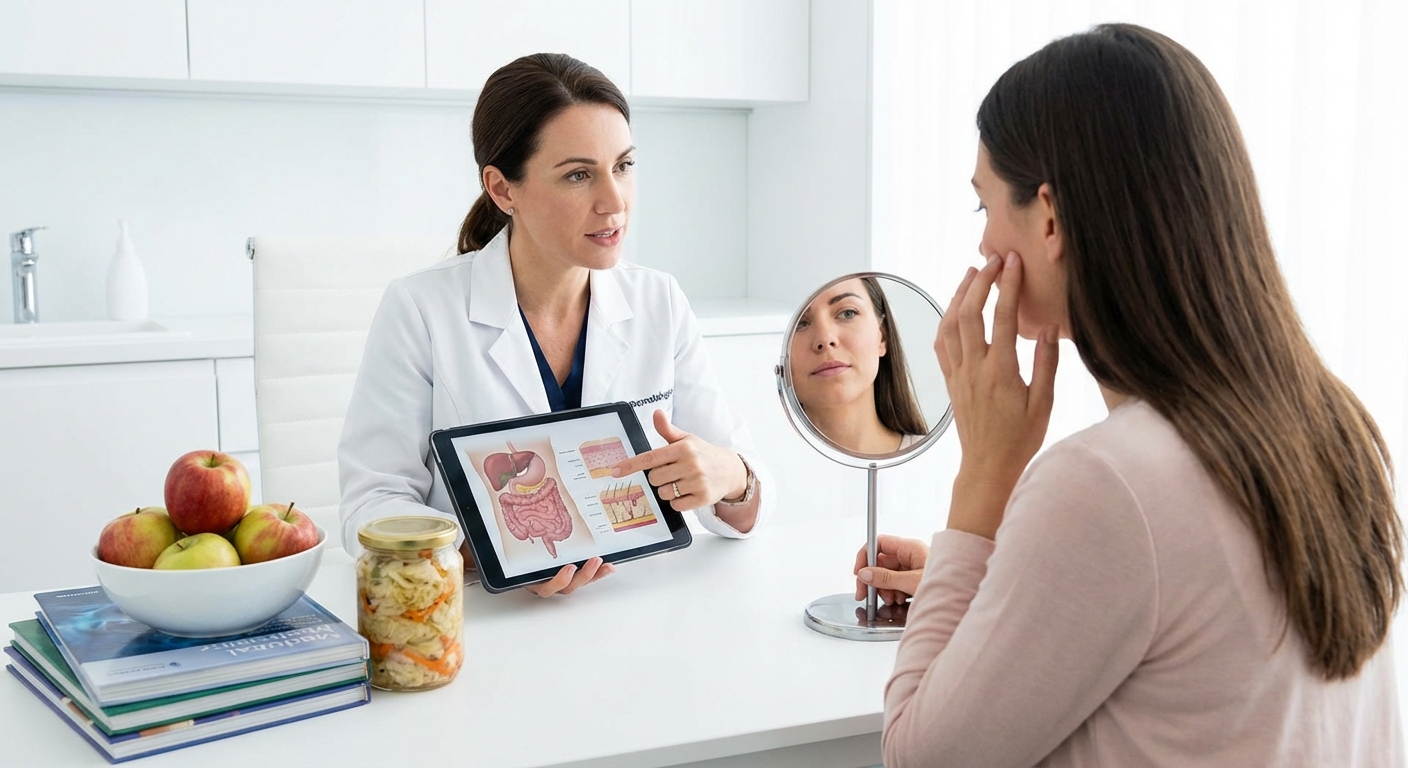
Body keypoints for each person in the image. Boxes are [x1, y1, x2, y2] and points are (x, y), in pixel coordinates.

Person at [854, 24, 1403, 767]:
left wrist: (986, 472)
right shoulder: (1329, 422)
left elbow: (919, 758)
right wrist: (1009, 579)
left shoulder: (1104, 484)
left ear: (1049, 217)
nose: (983, 248)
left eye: (984, 208)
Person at [339, 53, 768, 598]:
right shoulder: (420, 309)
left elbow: (742, 503)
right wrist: (495, 554)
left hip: (635, 607)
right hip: (482, 621)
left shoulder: (659, 299)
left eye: (624, 166)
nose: (614, 202)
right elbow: (370, 503)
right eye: (578, 175)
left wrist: (733, 477)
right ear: (502, 189)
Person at [788, 276, 927, 454]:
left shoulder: (944, 462)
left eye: (848, 313)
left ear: (882, 337)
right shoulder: (752, 471)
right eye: (800, 323)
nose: (825, 338)